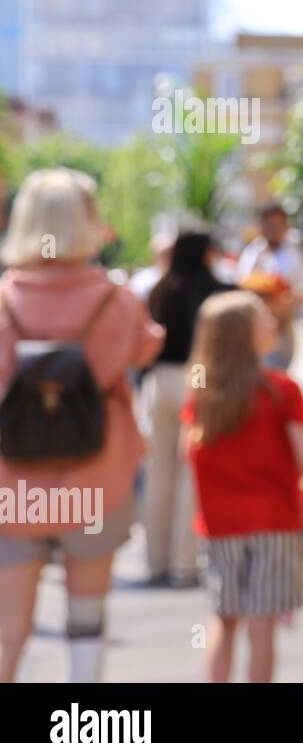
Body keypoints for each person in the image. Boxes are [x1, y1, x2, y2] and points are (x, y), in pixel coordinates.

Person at [0, 168, 164, 682]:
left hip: (13, 483)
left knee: (8, 628)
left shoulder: (4, 301)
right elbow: (146, 347)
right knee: (87, 617)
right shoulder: (115, 299)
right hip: (98, 474)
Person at [183, 291, 303, 683]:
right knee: (263, 627)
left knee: (223, 621)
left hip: (220, 523)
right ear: (245, 335)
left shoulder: (203, 396)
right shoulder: (282, 389)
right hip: (274, 520)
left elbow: (185, 450)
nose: (274, 323)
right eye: (264, 319)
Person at [143, 231, 232, 587]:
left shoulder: (159, 289)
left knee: (159, 472)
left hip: (159, 380)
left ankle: (156, 562)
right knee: (191, 475)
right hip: (196, 377)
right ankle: (185, 565)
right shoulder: (216, 291)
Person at [237, 203, 302, 370]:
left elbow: (300, 290)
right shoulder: (252, 253)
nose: (274, 229)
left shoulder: (293, 254)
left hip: (282, 328)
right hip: (254, 329)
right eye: (270, 224)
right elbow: (243, 283)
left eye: (278, 225)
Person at [127, 233, 174, 303]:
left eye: (171, 253)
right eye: (164, 254)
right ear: (154, 256)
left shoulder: (184, 279)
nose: (168, 258)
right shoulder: (142, 281)